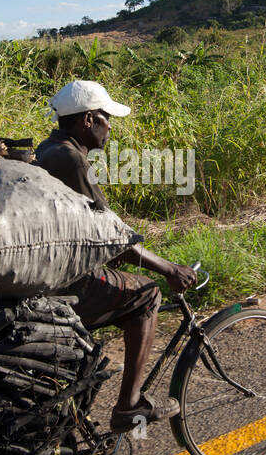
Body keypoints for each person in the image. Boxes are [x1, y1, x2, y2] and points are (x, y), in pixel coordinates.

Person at [34, 79, 197, 433]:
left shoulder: (48, 148)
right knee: (147, 294)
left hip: (47, 272)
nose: (111, 126)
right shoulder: (70, 160)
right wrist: (168, 269)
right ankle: (129, 405)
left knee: (120, 292)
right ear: (88, 119)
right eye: (107, 118)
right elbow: (112, 239)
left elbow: (96, 229)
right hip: (64, 281)